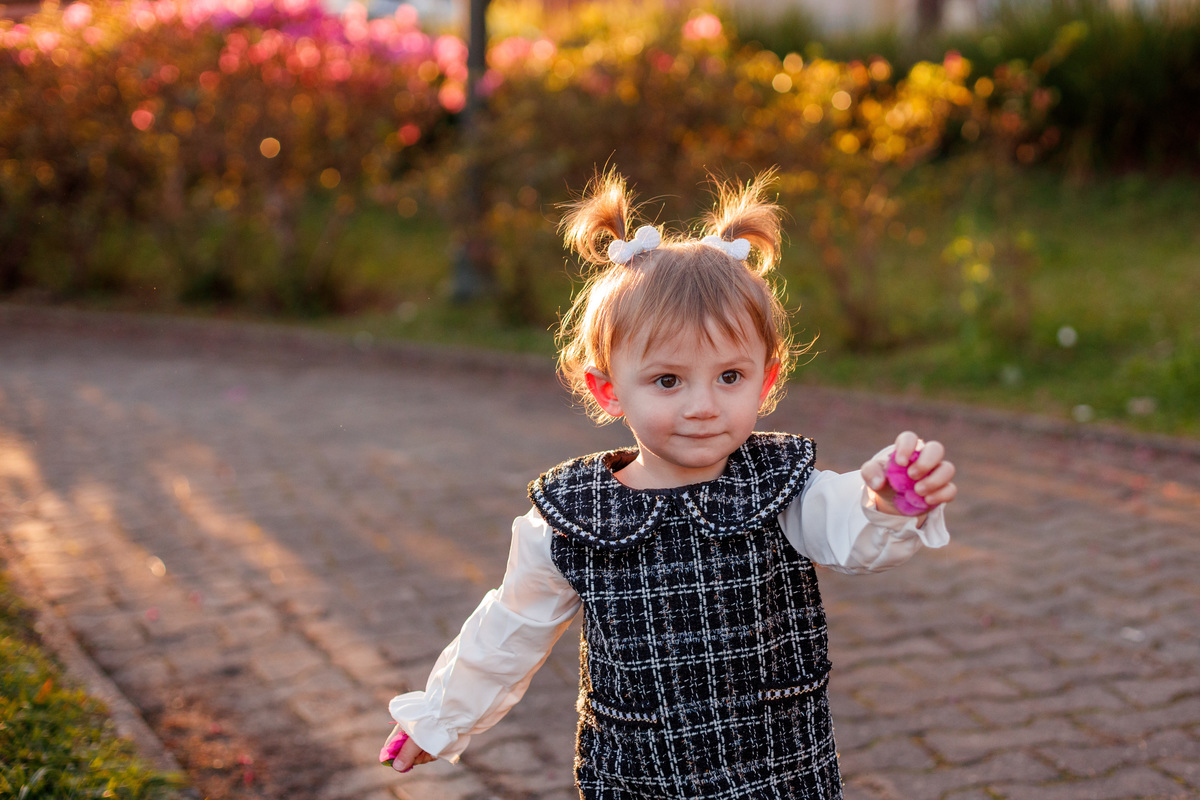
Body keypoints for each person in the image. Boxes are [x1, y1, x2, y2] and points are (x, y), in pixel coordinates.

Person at [382, 169, 957, 798]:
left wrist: (887, 502)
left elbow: (851, 531)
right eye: (668, 381)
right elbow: (509, 630)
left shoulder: (782, 486)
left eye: (730, 376)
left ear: (767, 379)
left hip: (779, 770)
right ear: (607, 390)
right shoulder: (572, 519)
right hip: (639, 775)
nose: (703, 406)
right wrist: (437, 721)